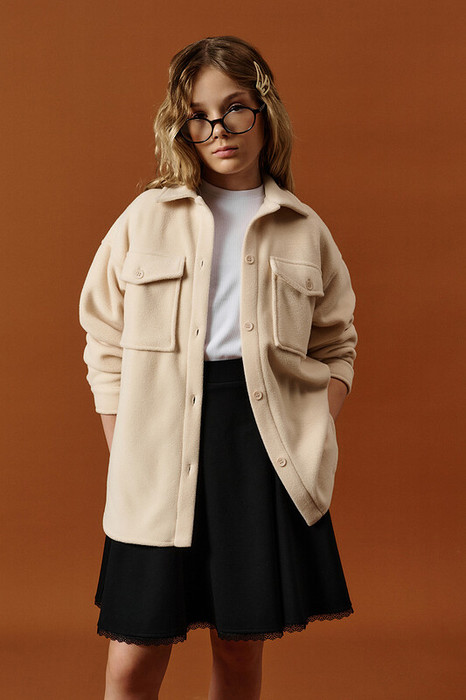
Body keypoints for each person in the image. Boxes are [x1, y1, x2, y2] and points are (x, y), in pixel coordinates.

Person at [79, 35, 358, 700]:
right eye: (198, 116)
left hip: (257, 446)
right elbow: (104, 337)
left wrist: (315, 423)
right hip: (157, 442)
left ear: (263, 111)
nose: (219, 130)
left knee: (239, 648)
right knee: (132, 659)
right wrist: (125, 447)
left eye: (234, 108)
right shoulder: (145, 218)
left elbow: (336, 341)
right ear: (181, 128)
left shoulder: (303, 228)